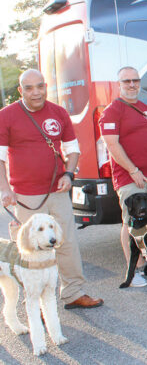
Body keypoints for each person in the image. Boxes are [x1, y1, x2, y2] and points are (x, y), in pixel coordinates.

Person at [0, 69, 103, 309]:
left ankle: (73, 292)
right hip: (25, 195)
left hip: (57, 192)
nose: (35, 92)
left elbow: (73, 149)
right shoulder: (6, 116)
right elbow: (0, 158)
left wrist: (69, 173)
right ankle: (33, 297)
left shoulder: (58, 113)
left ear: (46, 86)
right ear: (20, 90)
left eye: (40, 86)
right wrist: (5, 189)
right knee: (30, 246)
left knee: (65, 241)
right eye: (29, 88)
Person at [100, 67, 147, 287]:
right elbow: (112, 144)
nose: (132, 85)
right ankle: (135, 270)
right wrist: (133, 171)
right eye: (127, 81)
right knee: (131, 224)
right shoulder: (112, 110)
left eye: (135, 80)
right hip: (130, 177)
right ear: (118, 84)